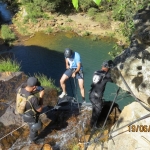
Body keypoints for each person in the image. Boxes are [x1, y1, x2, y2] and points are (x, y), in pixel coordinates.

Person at [16, 77, 45, 144]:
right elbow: (40, 109)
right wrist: (41, 97)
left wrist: (34, 90)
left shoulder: (19, 88)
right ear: (34, 87)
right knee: (36, 126)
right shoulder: (33, 99)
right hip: (29, 116)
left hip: (21, 110)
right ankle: (34, 139)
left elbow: (26, 94)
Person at [89, 60, 114, 128]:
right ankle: (93, 127)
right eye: (108, 68)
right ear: (107, 68)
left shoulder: (96, 72)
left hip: (91, 94)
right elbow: (113, 79)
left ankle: (92, 123)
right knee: (97, 112)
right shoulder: (106, 75)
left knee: (95, 110)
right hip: (97, 98)